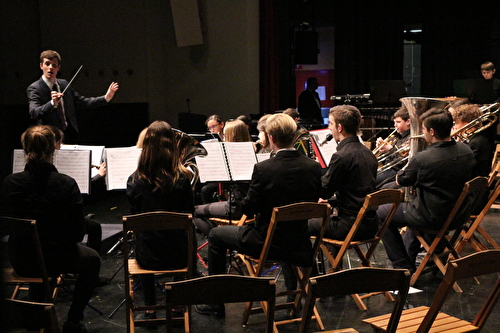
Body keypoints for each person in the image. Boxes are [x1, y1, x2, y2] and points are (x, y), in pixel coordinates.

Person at [196, 113, 321, 316]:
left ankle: (215, 302)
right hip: (299, 243)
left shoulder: (264, 168)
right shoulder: (313, 167)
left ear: (271, 138)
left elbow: (248, 209)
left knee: (215, 236)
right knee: (285, 229)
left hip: (266, 242)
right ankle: (293, 298)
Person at [0, 125, 101, 333]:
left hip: (20, 258)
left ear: (25, 149)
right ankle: (73, 321)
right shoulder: (66, 184)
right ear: (53, 150)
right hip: (54, 258)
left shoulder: (9, 183)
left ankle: (37, 317)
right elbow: (76, 233)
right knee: (92, 260)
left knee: (37, 256)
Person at [377, 108, 475, 273]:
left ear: (431, 131)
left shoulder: (423, 158)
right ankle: (436, 250)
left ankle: (403, 268)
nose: (421, 133)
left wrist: (412, 157)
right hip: (459, 214)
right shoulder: (466, 150)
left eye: (422, 129)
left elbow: (401, 179)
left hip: (433, 216)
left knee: (380, 213)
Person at [126, 120, 196, 320]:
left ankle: (149, 306)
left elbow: (135, 217)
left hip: (148, 258)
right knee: (183, 236)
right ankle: (177, 304)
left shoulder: (134, 180)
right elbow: (188, 214)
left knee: (145, 238)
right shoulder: (182, 180)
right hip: (179, 257)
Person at [308, 105, 378, 247]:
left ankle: (309, 269)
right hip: (370, 225)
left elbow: (324, 191)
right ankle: (335, 266)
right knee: (324, 220)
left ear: (339, 128)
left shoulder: (341, 156)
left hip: (350, 227)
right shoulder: (368, 152)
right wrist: (334, 201)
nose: (330, 128)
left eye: (331, 124)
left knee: (301, 224)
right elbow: (357, 192)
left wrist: (310, 175)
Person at [28, 50, 119, 143]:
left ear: (58, 68)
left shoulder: (64, 84)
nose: (50, 68)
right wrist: (52, 103)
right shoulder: (35, 88)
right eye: (47, 64)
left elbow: (82, 102)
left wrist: (106, 98)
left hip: (70, 135)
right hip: (49, 138)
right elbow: (34, 112)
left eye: (54, 65)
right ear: (41, 66)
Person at [194, 120, 252, 236]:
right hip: (251, 209)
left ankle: (216, 236)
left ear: (233, 135)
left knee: (193, 210)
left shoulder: (232, 157)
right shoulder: (251, 153)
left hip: (236, 208)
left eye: (225, 135)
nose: (224, 138)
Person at [450, 103, 494, 177]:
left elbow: (460, 166)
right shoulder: (476, 138)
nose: (454, 127)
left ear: (467, 124)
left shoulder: (476, 142)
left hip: (472, 183)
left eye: (456, 123)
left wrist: (456, 145)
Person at [375, 106, 411, 187]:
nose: (395, 125)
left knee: (372, 181)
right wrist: (383, 149)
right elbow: (389, 161)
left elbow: (403, 163)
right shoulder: (397, 137)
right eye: (394, 122)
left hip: (398, 172)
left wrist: (390, 149)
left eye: (398, 122)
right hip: (389, 169)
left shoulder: (411, 138)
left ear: (408, 122)